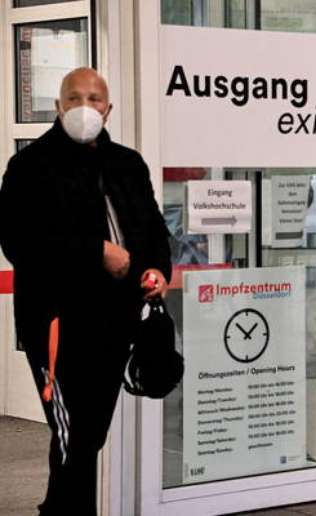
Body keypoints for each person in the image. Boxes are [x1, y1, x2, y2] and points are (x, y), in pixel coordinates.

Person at [0, 68, 171, 516]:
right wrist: (95, 251)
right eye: (73, 98)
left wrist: (156, 269)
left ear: (107, 108)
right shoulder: (30, 166)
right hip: (56, 326)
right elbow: (19, 241)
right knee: (74, 436)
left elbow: (153, 229)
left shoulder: (128, 164)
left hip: (116, 324)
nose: (84, 107)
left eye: (94, 99)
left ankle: (58, 510)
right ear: (58, 107)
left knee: (89, 436)